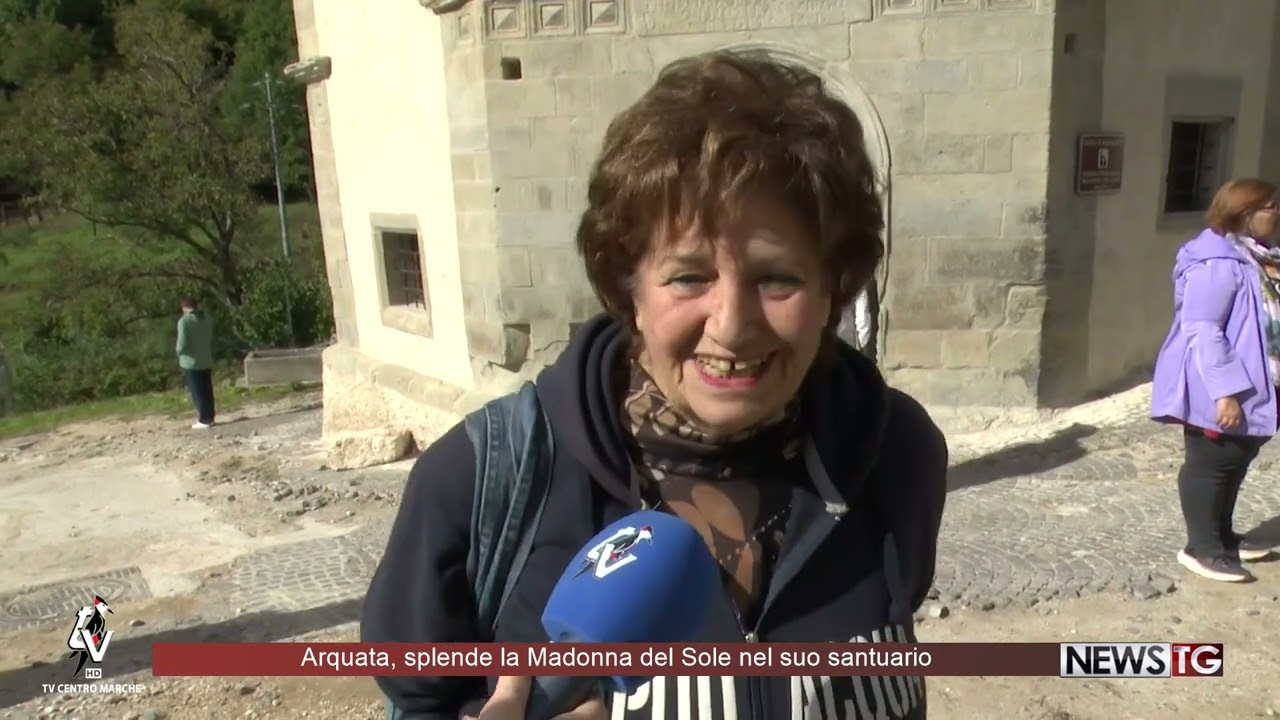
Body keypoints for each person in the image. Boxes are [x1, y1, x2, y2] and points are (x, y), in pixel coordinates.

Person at [363, 49, 949, 720]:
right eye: (689, 277)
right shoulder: (476, 480)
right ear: (629, 290)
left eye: (777, 278)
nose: (731, 326)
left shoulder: (894, 453)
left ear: (832, 292)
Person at [1151, 177, 1280, 583]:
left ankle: (1223, 537)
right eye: (1271, 207)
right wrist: (1225, 392)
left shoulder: (1255, 257)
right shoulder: (1217, 263)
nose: (1277, 213)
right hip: (1220, 384)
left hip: (1256, 380)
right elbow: (1204, 329)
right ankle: (1202, 548)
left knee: (1236, 459)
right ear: (1245, 213)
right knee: (1212, 463)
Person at [176, 297, 216, 429]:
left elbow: (182, 343)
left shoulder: (184, 321)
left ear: (184, 308)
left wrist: (179, 352)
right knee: (207, 390)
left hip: (190, 361)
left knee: (197, 391)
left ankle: (204, 419)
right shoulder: (207, 319)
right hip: (205, 357)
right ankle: (210, 417)